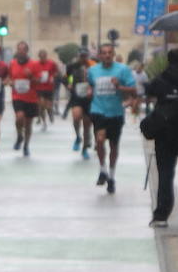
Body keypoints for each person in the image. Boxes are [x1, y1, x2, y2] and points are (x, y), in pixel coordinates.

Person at [88, 42, 137, 194]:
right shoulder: (92, 71)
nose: (107, 55)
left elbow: (134, 90)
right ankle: (102, 169)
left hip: (116, 112)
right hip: (98, 110)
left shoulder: (123, 70)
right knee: (100, 140)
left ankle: (111, 175)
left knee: (114, 147)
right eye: (104, 53)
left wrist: (119, 87)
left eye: (110, 52)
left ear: (113, 54)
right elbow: (91, 86)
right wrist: (88, 92)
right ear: (99, 55)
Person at [143, 50, 178, 228]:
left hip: (166, 132)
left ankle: (161, 215)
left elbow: (148, 91)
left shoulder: (161, 79)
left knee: (165, 173)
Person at [8, 41, 38, 156]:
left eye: (23, 49)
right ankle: (19, 135)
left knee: (29, 124)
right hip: (17, 96)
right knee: (19, 117)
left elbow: (38, 81)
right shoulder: (12, 63)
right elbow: (9, 78)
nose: (20, 51)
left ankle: (26, 145)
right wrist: (10, 82)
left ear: (26, 51)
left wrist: (31, 76)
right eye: (19, 49)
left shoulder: (33, 64)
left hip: (31, 97)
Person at [65, 51, 94, 159]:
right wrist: (69, 83)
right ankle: (78, 136)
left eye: (85, 56)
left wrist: (92, 87)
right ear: (78, 57)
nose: (83, 58)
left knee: (87, 124)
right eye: (81, 56)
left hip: (89, 98)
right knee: (76, 116)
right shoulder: (72, 66)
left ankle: (85, 148)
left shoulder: (93, 66)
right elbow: (66, 77)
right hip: (76, 96)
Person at [33, 48, 60, 128]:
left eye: (44, 56)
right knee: (41, 105)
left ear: (46, 56)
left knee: (48, 106)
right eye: (41, 57)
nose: (42, 58)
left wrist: (53, 76)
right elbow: (32, 75)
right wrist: (36, 79)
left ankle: (50, 112)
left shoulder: (51, 63)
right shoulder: (35, 64)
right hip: (39, 88)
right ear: (39, 57)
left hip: (49, 87)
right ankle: (44, 121)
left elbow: (57, 72)